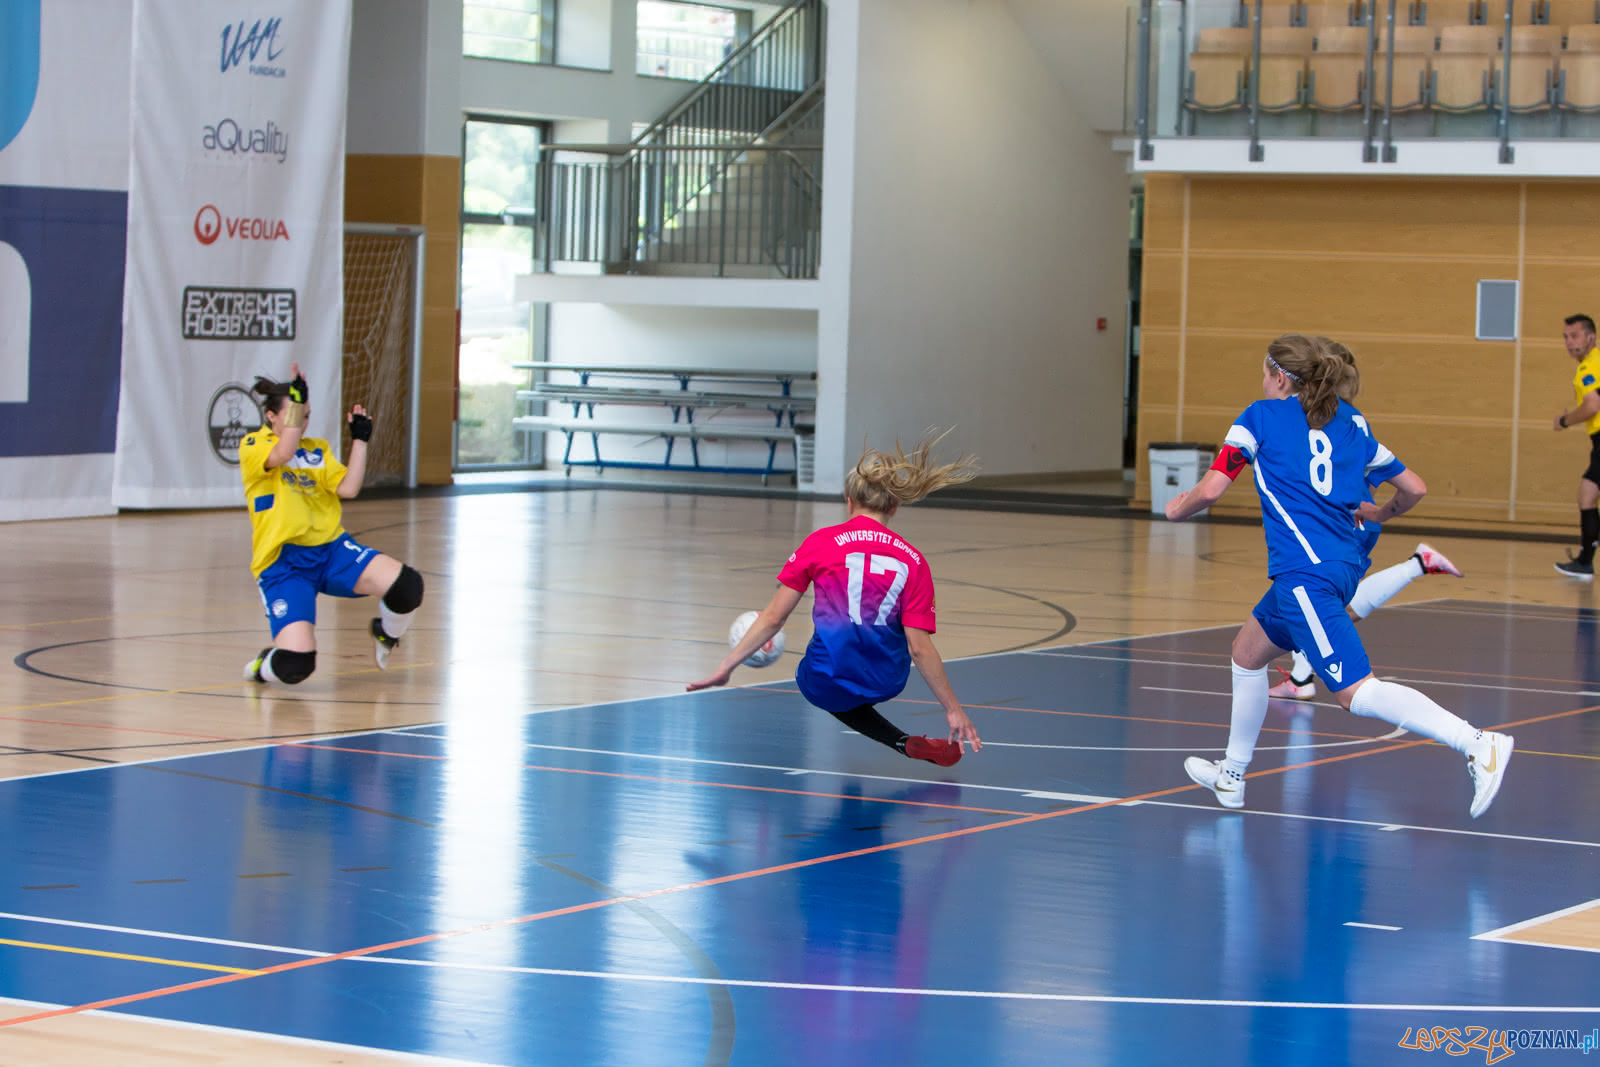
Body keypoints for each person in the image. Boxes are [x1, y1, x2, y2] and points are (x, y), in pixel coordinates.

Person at [1165, 335, 1513, 818]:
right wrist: (1381, 512)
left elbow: (1211, 489)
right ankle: (1231, 777)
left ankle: (1477, 743)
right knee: (1246, 655)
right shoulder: (1354, 422)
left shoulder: (1258, 419)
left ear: (1280, 376)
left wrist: (1177, 509)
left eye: (1265, 374)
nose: (1262, 382)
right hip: (1339, 568)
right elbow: (1414, 487)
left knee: (1356, 694)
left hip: (1306, 576)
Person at [688, 434, 983, 766]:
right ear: (894, 506)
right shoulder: (913, 561)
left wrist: (727, 666)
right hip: (887, 680)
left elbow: (773, 618)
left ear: (848, 500)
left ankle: (899, 741)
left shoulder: (821, 543)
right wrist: (953, 709)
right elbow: (919, 647)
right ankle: (901, 742)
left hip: (826, 675)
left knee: (812, 677)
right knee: (872, 659)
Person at [1267, 338, 1463, 700]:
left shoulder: (1324, 418)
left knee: (1320, 603)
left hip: (1344, 520)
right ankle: (1301, 676)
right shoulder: (1353, 417)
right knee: (1324, 603)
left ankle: (1301, 678)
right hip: (1360, 518)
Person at [238, 362, 424, 685]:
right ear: (271, 417)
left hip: (331, 551)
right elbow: (284, 451)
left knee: (407, 587)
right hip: (284, 565)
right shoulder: (254, 445)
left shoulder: (317, 451)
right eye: (297, 413)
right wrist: (297, 402)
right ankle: (262, 666)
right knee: (296, 666)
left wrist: (360, 441)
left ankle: (386, 633)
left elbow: (348, 488)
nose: (303, 421)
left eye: (307, 414)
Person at [1552, 313, 1600, 579]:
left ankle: (1584, 562)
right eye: (1566, 337)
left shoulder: (1588, 368)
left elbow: (1593, 405)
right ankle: (1584, 561)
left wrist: (1564, 420)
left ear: (1591, 337)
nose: (1569, 343)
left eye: (1575, 336)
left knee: (1587, 494)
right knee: (1588, 493)